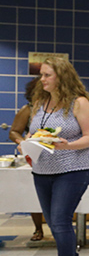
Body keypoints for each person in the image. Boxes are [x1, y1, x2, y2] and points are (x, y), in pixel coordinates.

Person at [26, 58, 89, 256]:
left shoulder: (79, 103)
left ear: (61, 77)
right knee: (54, 223)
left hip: (73, 169)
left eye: (47, 75)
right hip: (42, 170)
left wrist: (67, 145)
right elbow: (33, 133)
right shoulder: (40, 102)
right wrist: (27, 143)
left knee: (59, 220)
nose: (42, 79)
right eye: (42, 75)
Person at [9, 76, 45, 241]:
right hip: (35, 156)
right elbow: (14, 131)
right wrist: (24, 143)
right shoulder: (28, 109)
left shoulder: (62, 109)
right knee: (34, 194)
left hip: (59, 155)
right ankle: (38, 228)